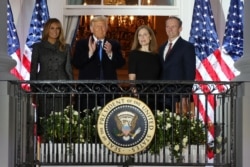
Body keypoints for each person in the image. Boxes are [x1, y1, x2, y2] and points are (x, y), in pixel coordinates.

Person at [71, 15, 125, 110]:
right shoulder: (82, 44)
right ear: (91, 29)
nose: (101, 29)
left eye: (103, 26)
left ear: (107, 28)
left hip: (108, 91)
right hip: (87, 91)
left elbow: (120, 63)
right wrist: (89, 53)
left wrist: (110, 54)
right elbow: (76, 63)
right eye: (97, 26)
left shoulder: (114, 44)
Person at [30, 18, 73, 134]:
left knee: (61, 121)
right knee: (44, 120)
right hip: (44, 87)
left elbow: (68, 69)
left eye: (58, 28)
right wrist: (33, 89)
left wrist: (71, 88)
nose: (55, 31)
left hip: (61, 88)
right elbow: (33, 69)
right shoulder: (37, 47)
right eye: (52, 28)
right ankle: (43, 148)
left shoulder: (66, 47)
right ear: (47, 30)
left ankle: (60, 148)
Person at [158, 16, 196, 112]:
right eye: (167, 26)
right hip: (162, 97)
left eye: (173, 27)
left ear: (180, 29)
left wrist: (185, 95)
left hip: (178, 97)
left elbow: (190, 73)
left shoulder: (187, 47)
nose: (170, 29)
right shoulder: (162, 47)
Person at [128, 25, 161, 109]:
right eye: (140, 35)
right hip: (140, 94)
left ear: (150, 37)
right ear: (137, 39)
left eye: (145, 34)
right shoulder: (134, 54)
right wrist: (135, 94)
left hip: (156, 95)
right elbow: (132, 77)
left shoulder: (157, 56)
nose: (142, 37)